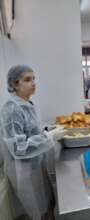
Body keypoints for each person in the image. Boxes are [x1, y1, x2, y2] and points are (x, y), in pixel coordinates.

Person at [0, 65, 65, 220]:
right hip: (22, 170)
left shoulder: (27, 104)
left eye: (34, 79)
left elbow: (30, 131)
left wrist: (47, 129)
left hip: (35, 164)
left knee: (44, 204)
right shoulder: (12, 109)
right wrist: (49, 137)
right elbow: (18, 148)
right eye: (27, 80)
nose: (33, 83)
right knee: (31, 209)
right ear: (14, 84)